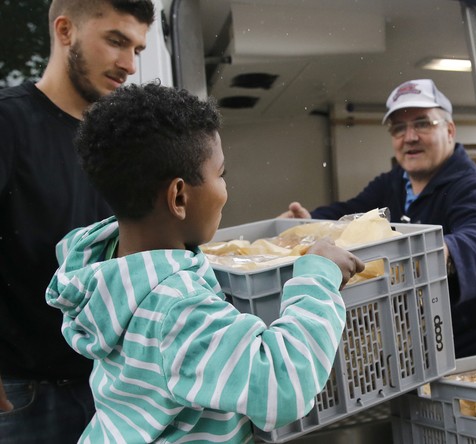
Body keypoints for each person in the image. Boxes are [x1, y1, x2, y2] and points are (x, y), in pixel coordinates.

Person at [45, 83, 366, 442]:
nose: (225, 190)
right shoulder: (176, 309)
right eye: (221, 174)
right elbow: (281, 384)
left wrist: (275, 247)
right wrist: (319, 277)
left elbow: (178, 264)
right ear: (179, 197)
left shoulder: (108, 266)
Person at [279, 79, 476, 358]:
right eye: (399, 128)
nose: (410, 136)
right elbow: (349, 213)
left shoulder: (474, 184)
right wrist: (308, 221)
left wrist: (442, 251)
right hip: (438, 351)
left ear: (450, 131)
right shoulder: (393, 183)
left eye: (423, 123)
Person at [0, 1, 155, 441]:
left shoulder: (122, 141)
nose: (128, 64)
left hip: (117, 388)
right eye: (116, 40)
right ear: (65, 30)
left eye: (137, 50)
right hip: (24, 397)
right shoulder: (8, 120)